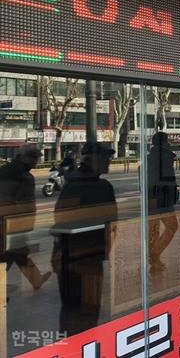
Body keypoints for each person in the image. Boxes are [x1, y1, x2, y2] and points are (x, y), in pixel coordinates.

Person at [52, 141, 118, 335]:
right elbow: (110, 224)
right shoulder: (98, 186)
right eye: (104, 158)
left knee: (72, 309)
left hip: (72, 255)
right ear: (89, 160)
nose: (108, 162)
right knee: (87, 309)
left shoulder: (73, 182)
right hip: (87, 257)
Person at [0, 144, 52, 291]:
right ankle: (36, 280)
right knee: (13, 253)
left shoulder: (4, 170)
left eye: (36, 157)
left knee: (16, 253)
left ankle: (36, 279)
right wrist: (26, 223)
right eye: (32, 157)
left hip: (5, 220)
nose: (35, 161)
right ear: (23, 157)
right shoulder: (24, 177)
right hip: (13, 222)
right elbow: (24, 203)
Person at [146, 132, 179, 273]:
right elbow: (169, 181)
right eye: (167, 141)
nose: (169, 143)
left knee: (153, 230)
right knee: (172, 226)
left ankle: (155, 262)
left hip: (150, 199)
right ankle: (154, 257)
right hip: (164, 200)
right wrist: (173, 197)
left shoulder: (148, 158)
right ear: (164, 143)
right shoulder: (165, 157)